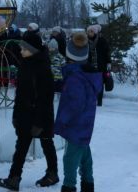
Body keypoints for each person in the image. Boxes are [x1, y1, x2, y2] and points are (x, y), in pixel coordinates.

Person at [0, 28, 58, 191]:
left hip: (40, 116)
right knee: (21, 147)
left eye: (24, 48)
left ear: (32, 50)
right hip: (25, 115)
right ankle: (14, 178)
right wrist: (16, 115)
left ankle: (52, 173)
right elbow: (21, 93)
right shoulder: (26, 64)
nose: (21, 51)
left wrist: (39, 122)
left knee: (46, 143)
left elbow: (45, 98)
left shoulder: (42, 68)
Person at [54, 32, 102, 192]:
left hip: (75, 126)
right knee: (85, 156)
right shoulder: (86, 74)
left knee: (70, 159)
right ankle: (88, 185)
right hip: (85, 125)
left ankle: (69, 186)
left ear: (69, 54)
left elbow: (75, 104)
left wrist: (63, 120)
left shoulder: (75, 78)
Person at [85, 24, 111, 106]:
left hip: (100, 66)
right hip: (89, 66)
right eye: (88, 31)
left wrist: (108, 62)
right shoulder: (85, 41)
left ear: (95, 32)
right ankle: (91, 100)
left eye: (91, 31)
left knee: (99, 84)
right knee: (89, 83)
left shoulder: (102, 41)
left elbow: (107, 53)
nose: (89, 33)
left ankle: (99, 101)